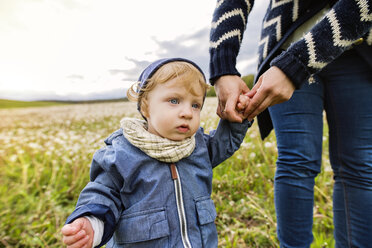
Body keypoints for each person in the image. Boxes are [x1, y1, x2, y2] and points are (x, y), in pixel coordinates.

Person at [209, 0, 372, 247]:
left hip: (357, 47)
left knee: (359, 165)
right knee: (297, 160)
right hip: (285, 44)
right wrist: (223, 66)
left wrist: (297, 64)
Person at [61, 57, 253, 248]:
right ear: (146, 106)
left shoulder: (199, 147)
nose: (187, 112)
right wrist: (91, 222)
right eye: (174, 100)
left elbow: (225, 142)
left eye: (195, 105)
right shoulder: (121, 154)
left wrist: (238, 115)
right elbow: (103, 194)